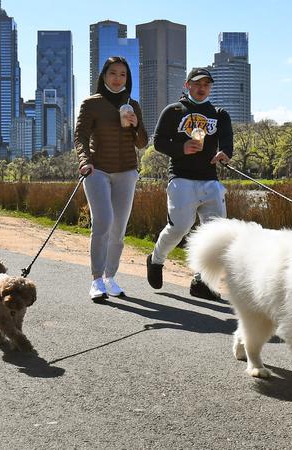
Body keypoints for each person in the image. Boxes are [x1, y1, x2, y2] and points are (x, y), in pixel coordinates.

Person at [146, 68, 233, 301]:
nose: (202, 88)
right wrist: (181, 148)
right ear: (187, 86)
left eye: (206, 84)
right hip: (181, 178)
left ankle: (202, 282)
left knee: (216, 234)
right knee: (179, 227)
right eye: (197, 83)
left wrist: (225, 153)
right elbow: (158, 142)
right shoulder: (174, 111)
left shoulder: (219, 114)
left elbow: (227, 142)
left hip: (210, 180)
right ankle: (155, 260)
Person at [75, 56, 148, 301]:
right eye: (113, 73)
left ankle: (110, 277)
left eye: (123, 75)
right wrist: (85, 161)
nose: (118, 79)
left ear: (128, 79)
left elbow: (142, 143)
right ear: (104, 76)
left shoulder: (133, 105)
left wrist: (136, 124)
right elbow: (80, 137)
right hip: (97, 170)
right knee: (103, 221)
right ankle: (96, 279)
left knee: (118, 229)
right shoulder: (91, 104)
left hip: (127, 171)